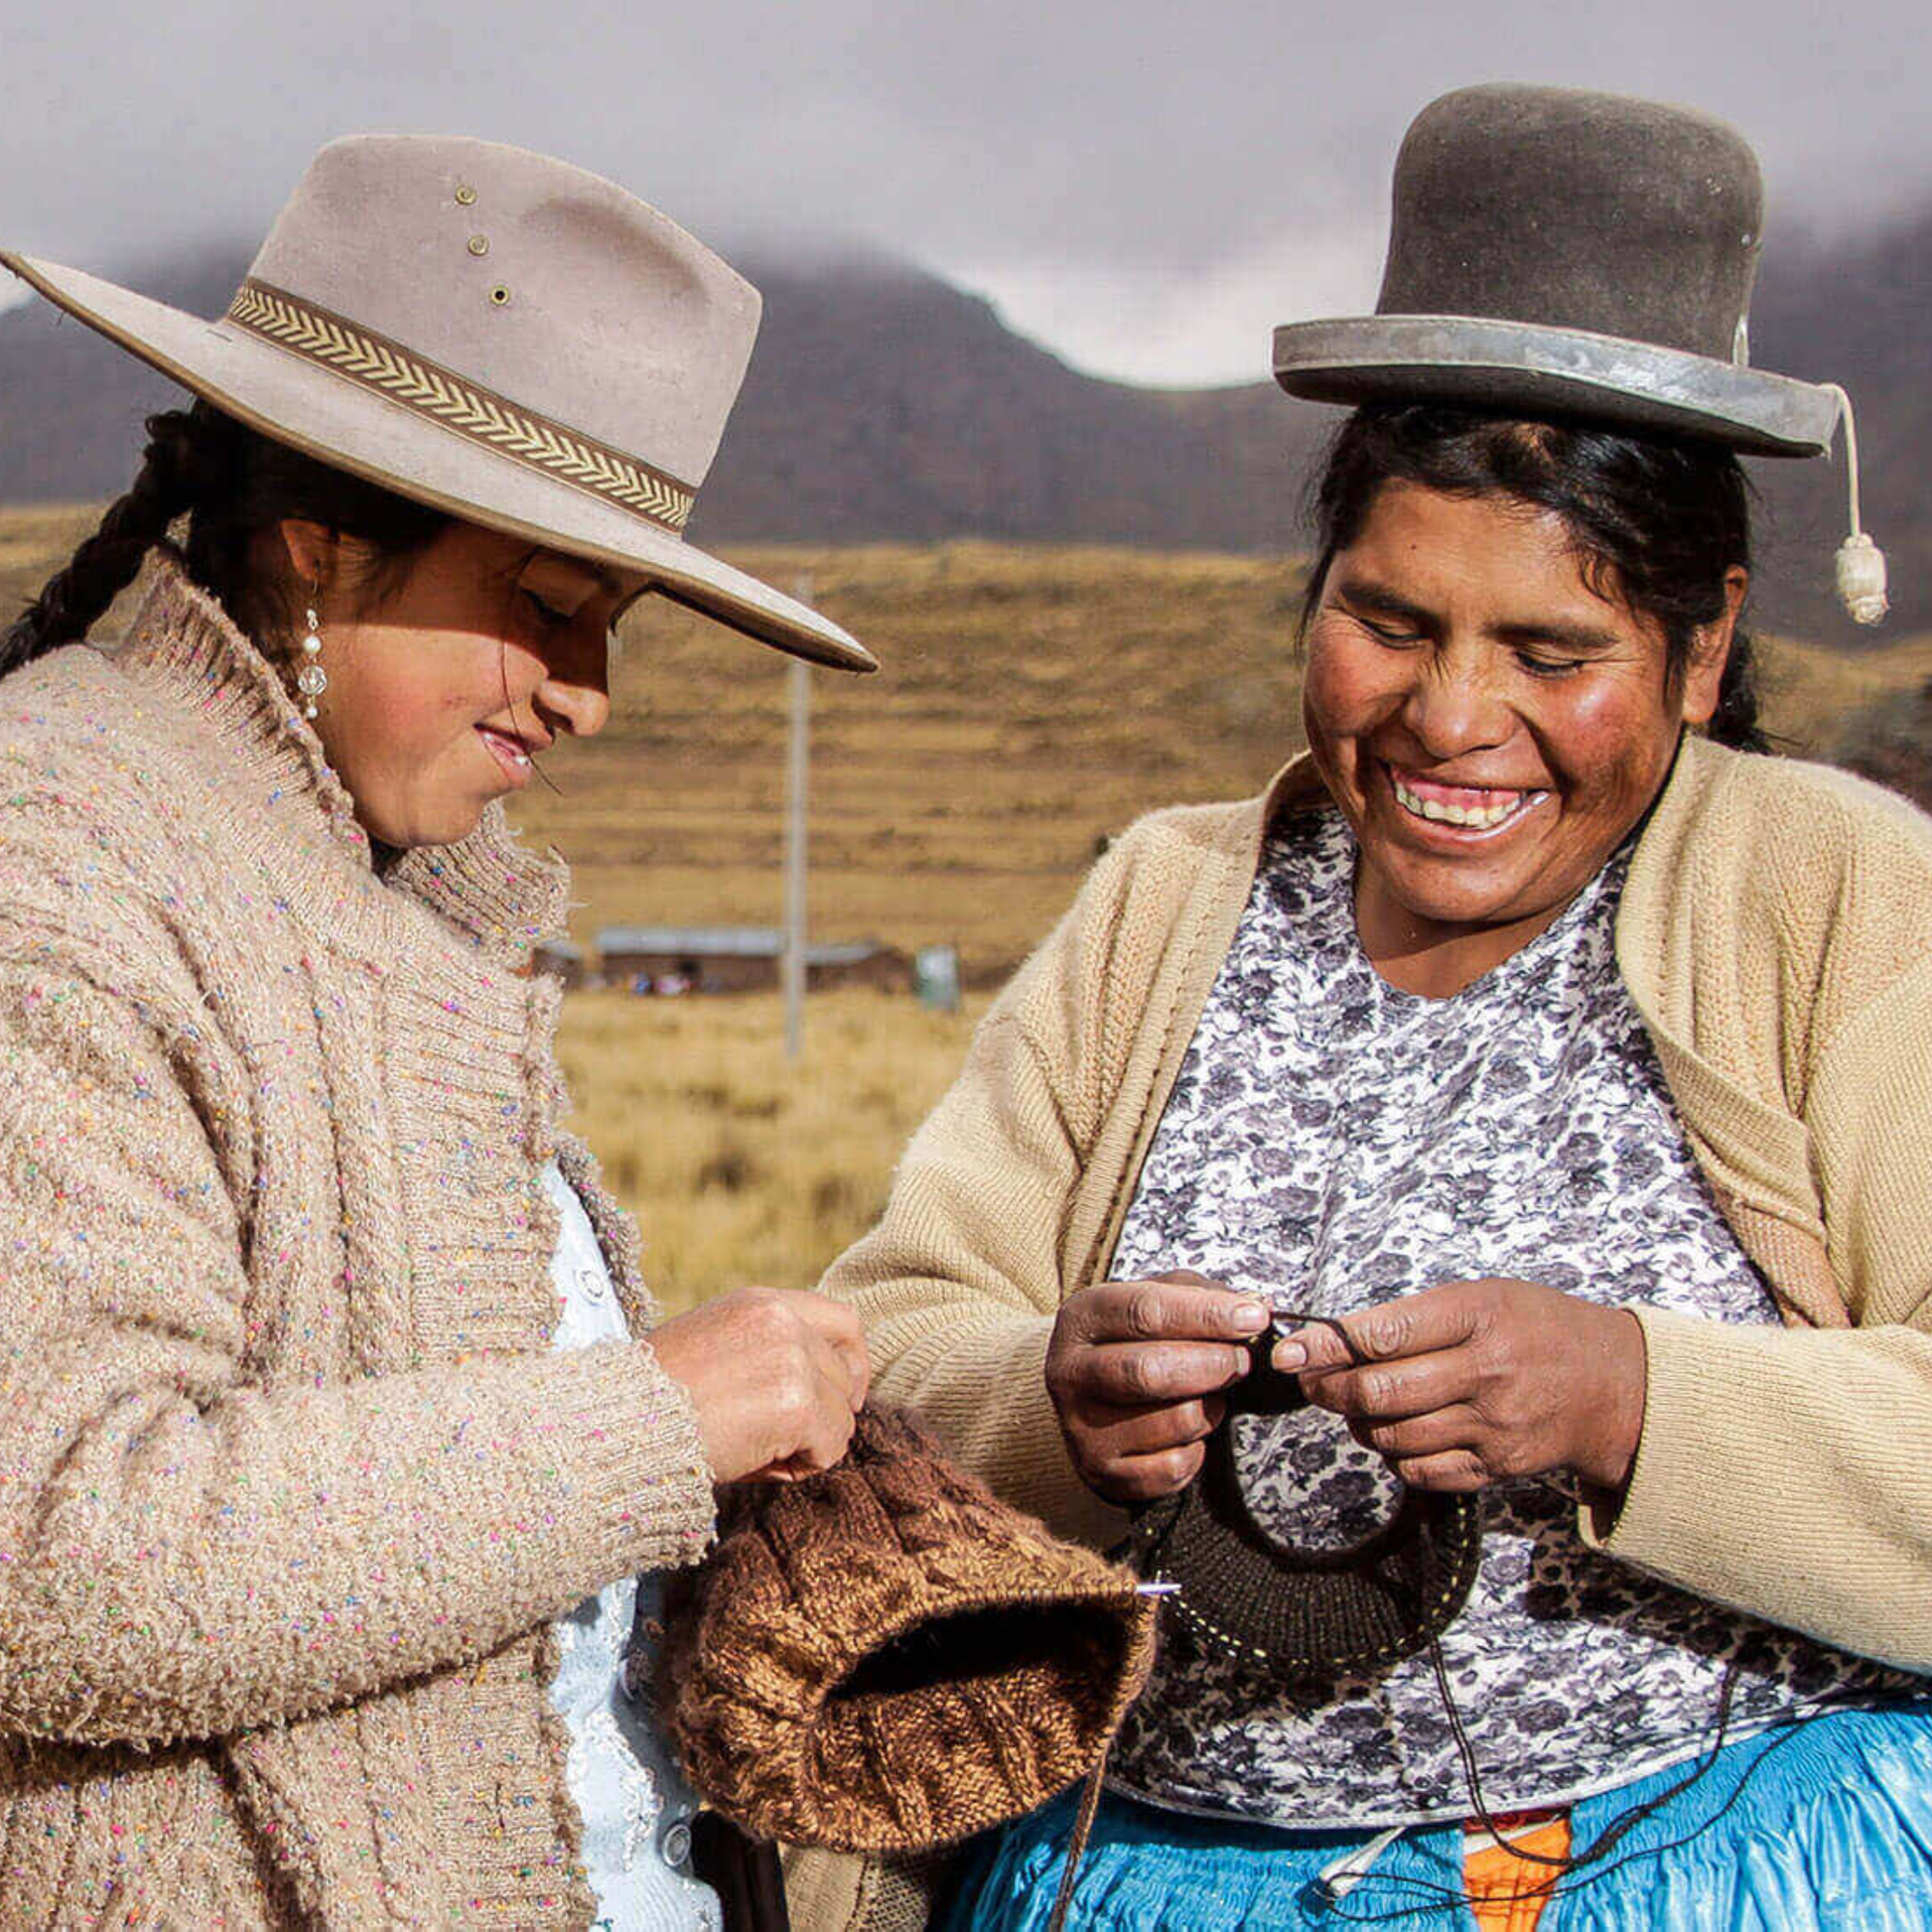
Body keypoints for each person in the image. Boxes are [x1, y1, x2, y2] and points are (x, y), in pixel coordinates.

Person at [793, 87, 1932, 1931]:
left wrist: (1632, 1396)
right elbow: (891, 1341)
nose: (1450, 718)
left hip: (1710, 1863)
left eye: (1550, 651)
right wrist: (1048, 1404)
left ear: (1704, 646)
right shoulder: (1171, 895)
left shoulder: (1834, 895)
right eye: (1388, 622)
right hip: (1147, 1876)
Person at [0, 136, 877, 1927]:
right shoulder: (59, 854)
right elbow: (60, 1561)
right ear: (318, 550)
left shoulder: (389, 887)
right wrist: (658, 1418)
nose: (589, 695)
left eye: (613, 625)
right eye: (546, 606)